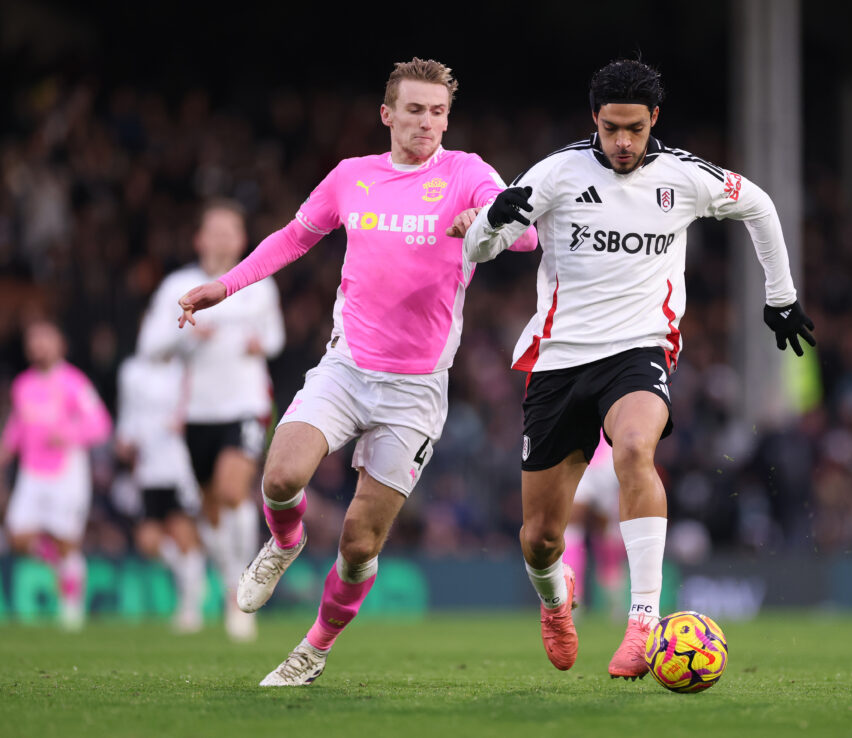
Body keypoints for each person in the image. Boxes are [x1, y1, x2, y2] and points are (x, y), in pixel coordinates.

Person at [176, 57, 537, 686]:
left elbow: (525, 235)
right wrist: (225, 286)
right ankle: (284, 543)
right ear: (387, 114)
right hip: (346, 366)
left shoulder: (466, 172)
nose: (427, 123)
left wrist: (485, 223)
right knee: (281, 476)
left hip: (417, 388)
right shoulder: (352, 177)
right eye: (416, 110)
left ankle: (312, 648)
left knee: (359, 544)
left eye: (438, 112)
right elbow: (294, 237)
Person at [461, 59, 815, 679]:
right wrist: (493, 218)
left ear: (654, 119)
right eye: (610, 128)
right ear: (593, 119)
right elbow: (478, 252)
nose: (622, 142)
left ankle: (644, 623)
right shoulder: (555, 173)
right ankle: (554, 600)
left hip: (639, 350)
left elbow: (760, 206)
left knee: (633, 451)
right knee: (539, 537)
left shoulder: (685, 176)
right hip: (560, 360)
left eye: (634, 128)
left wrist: (780, 295)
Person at [138, 197, 285, 641]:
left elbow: (275, 338)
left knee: (232, 489)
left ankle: (240, 597)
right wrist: (186, 338)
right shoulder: (176, 287)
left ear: (241, 239)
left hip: (244, 406)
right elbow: (150, 348)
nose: (222, 237)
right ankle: (225, 583)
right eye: (214, 230)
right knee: (211, 509)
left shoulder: (259, 283)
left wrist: (262, 346)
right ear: (200, 238)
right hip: (197, 411)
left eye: (230, 230)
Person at [0, 319, 112, 630]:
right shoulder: (22, 384)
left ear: (59, 344)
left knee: (66, 540)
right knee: (17, 534)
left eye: (44, 338)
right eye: (32, 339)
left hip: (66, 472)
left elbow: (100, 425)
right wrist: (5, 449)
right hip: (32, 472)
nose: (38, 345)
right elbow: (18, 426)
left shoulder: (75, 382)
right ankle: (64, 569)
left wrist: (68, 434)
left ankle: (71, 603)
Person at [115, 353, 206, 633]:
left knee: (182, 533)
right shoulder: (132, 372)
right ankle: (189, 579)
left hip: (178, 467)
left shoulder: (186, 368)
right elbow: (128, 418)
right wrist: (126, 441)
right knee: (148, 539)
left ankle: (191, 608)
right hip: (149, 469)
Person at [562, 434, 626, 613]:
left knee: (607, 533)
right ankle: (572, 601)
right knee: (572, 526)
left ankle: (614, 600)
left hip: (606, 457)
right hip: (578, 453)